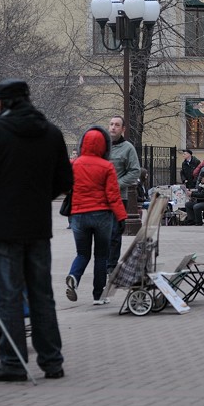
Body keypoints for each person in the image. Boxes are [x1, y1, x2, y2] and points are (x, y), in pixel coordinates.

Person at [0, 79, 73, 382]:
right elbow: (65, 179)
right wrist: (40, 199)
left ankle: (12, 360)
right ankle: (52, 361)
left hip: (4, 227)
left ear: (1, 103)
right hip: (38, 225)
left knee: (8, 295)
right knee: (42, 295)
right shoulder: (50, 132)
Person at [65, 126, 127, 306]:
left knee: (82, 253)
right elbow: (113, 195)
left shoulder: (75, 164)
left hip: (79, 216)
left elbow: (66, 186)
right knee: (101, 256)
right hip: (102, 216)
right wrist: (121, 217)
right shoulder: (107, 166)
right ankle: (98, 295)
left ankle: (74, 277)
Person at [106, 116, 141, 273]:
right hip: (101, 198)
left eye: (117, 125)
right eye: (111, 124)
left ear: (123, 129)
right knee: (102, 233)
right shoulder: (102, 145)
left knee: (115, 233)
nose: (113, 127)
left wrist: (117, 184)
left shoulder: (128, 148)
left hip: (119, 198)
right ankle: (102, 263)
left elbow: (135, 171)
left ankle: (111, 266)